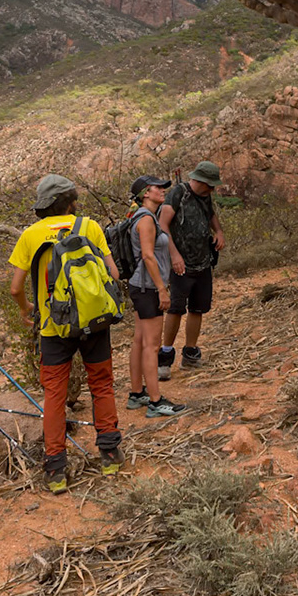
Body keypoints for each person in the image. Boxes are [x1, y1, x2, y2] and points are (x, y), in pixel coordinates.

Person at [7, 174, 125, 493]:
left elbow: (16, 287)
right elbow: (113, 273)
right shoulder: (90, 227)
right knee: (101, 385)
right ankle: (111, 455)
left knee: (54, 397)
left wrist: (26, 308)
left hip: (53, 327)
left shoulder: (30, 236)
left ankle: (56, 470)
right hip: (93, 321)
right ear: (72, 201)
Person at [123, 175, 187, 418]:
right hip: (148, 288)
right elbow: (148, 256)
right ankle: (156, 401)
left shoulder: (141, 217)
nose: (162, 190)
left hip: (140, 286)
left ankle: (137, 393)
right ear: (145, 194)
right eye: (157, 188)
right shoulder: (146, 220)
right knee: (151, 346)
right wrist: (162, 289)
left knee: (140, 340)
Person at [157, 161, 224, 378]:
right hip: (181, 264)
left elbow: (211, 214)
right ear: (200, 180)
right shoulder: (178, 193)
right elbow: (163, 225)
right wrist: (174, 254)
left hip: (203, 262)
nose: (212, 190)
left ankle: (190, 352)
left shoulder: (205, 196)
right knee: (176, 308)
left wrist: (219, 232)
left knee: (198, 307)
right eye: (210, 185)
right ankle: (165, 355)